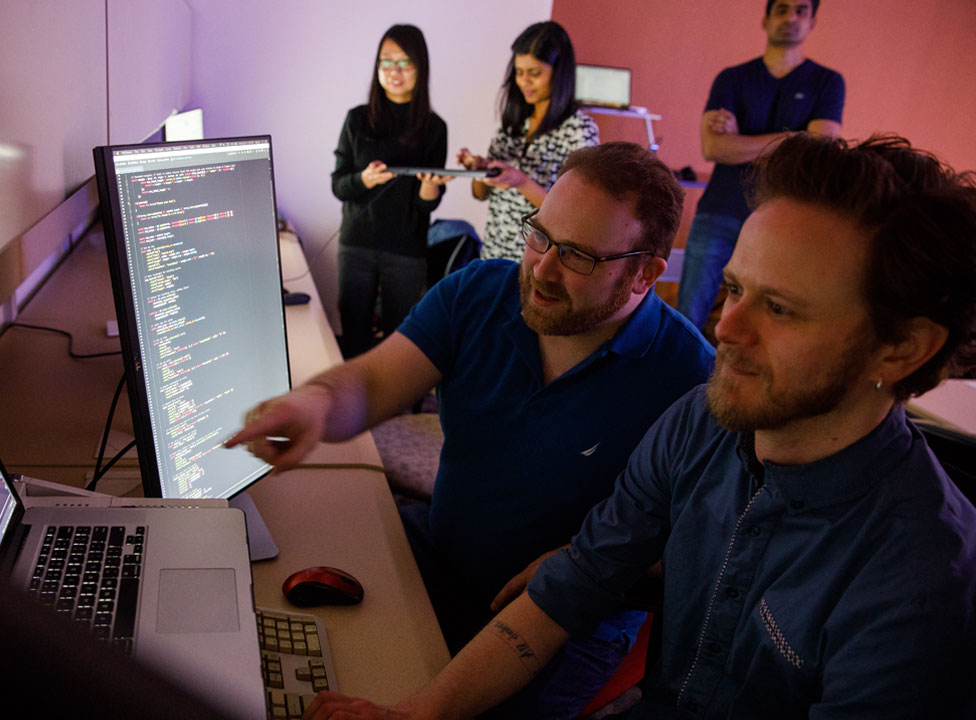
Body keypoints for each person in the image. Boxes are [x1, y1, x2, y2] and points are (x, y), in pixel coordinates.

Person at [302, 133, 976, 720]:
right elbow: (567, 592)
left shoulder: (920, 587)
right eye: (735, 289)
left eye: (781, 309)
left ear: (902, 350)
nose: (726, 327)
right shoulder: (702, 421)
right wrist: (421, 712)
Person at [228, 142, 715, 718]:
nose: (543, 269)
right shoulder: (480, 292)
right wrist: (313, 404)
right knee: (280, 625)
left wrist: (592, 561)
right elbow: (376, 382)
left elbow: (700, 551)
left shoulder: (691, 378)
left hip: (570, 624)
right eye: (541, 235)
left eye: (579, 256)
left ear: (644, 274)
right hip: (443, 555)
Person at [677, 0, 844, 333]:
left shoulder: (827, 82)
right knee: (688, 317)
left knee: (764, 323)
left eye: (800, 10)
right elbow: (713, 147)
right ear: (765, 20)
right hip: (718, 212)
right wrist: (796, 138)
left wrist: (742, 140)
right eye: (781, 9)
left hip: (784, 221)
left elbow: (820, 150)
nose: (790, 18)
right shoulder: (732, 78)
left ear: (812, 22)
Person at [332, 24, 451, 359]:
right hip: (356, 245)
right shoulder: (357, 120)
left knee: (401, 340)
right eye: (386, 62)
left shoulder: (434, 128)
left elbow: (426, 206)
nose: (394, 71)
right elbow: (339, 185)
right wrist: (365, 180)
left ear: (420, 67)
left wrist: (429, 189)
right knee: (354, 338)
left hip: (407, 251)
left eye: (404, 62)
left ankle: (396, 409)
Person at [456, 21, 599, 262]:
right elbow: (480, 194)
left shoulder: (578, 130)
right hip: (492, 254)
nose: (524, 82)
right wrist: (480, 170)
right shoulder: (514, 122)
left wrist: (521, 181)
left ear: (559, 72)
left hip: (537, 262)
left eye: (534, 73)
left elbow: (574, 215)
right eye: (519, 72)